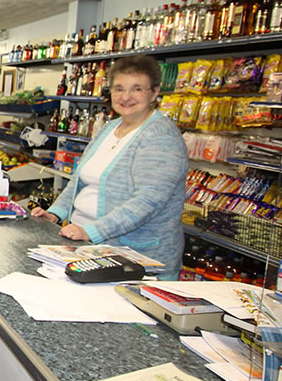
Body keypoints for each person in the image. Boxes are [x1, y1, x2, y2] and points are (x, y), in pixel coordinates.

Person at [30, 55, 188, 279]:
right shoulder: (109, 129)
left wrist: (91, 231)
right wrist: (55, 214)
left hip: (135, 259)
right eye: (119, 88)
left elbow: (147, 201)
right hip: (87, 247)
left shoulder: (161, 137)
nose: (126, 97)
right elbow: (79, 180)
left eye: (137, 89)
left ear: (154, 92)